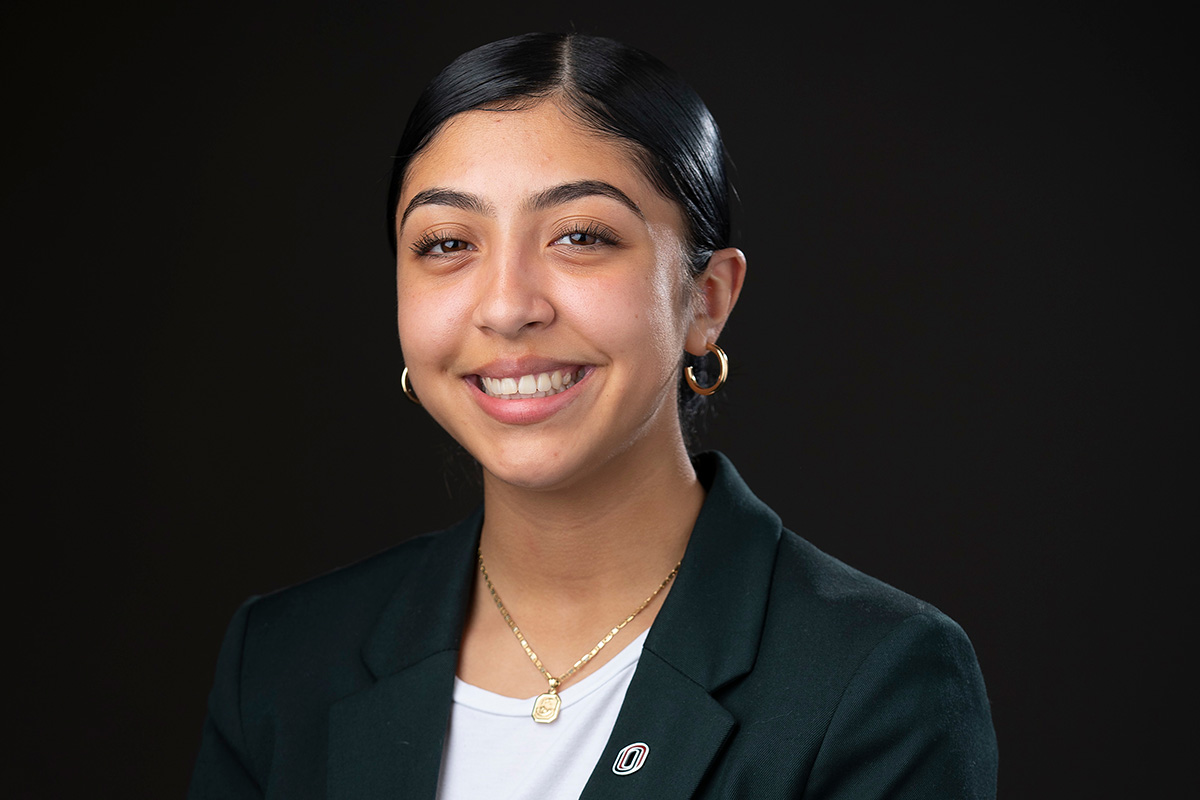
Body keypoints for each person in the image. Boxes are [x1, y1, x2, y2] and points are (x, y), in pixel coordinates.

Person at [188, 32, 998, 799]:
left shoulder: (873, 678)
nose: (506, 308)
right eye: (445, 244)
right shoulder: (284, 660)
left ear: (705, 300)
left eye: (579, 235)